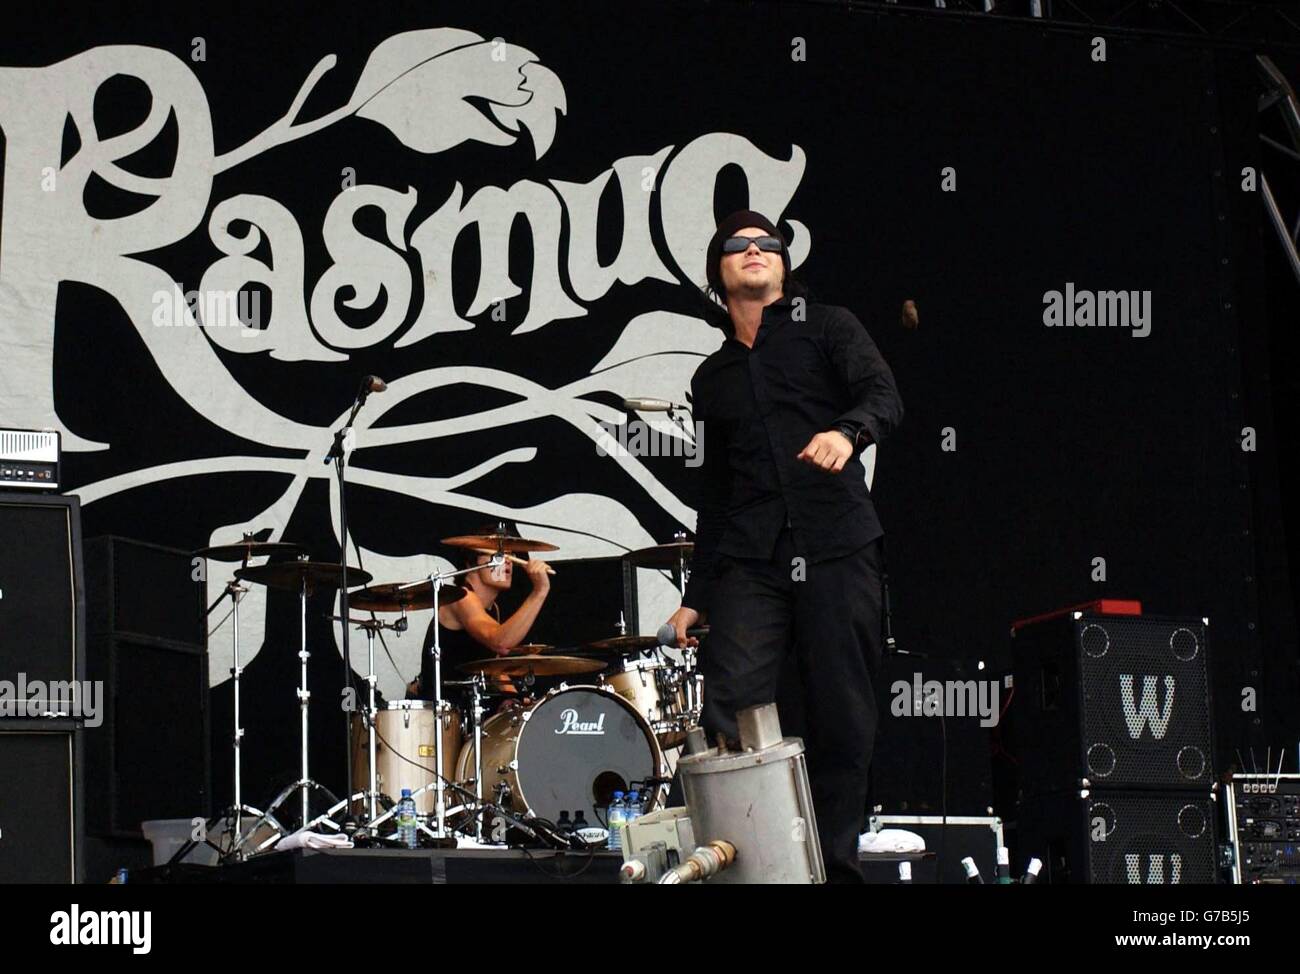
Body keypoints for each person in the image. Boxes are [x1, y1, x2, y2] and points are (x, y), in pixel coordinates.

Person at [663, 209, 903, 882]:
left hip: (837, 541)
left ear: (784, 263)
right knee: (731, 699)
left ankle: (832, 867)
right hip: (749, 557)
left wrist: (848, 432)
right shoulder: (711, 379)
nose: (755, 251)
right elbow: (714, 494)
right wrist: (696, 597)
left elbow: (884, 395)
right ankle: (750, 860)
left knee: (842, 715)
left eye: (768, 243)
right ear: (717, 271)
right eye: (737, 246)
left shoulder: (829, 326)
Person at [413, 523, 554, 702]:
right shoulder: (461, 597)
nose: (508, 560)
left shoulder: (492, 608)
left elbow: (494, 670)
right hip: (445, 715)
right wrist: (539, 591)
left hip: (470, 711)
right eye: (500, 555)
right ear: (472, 561)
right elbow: (501, 642)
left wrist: (515, 701)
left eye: (511, 555)